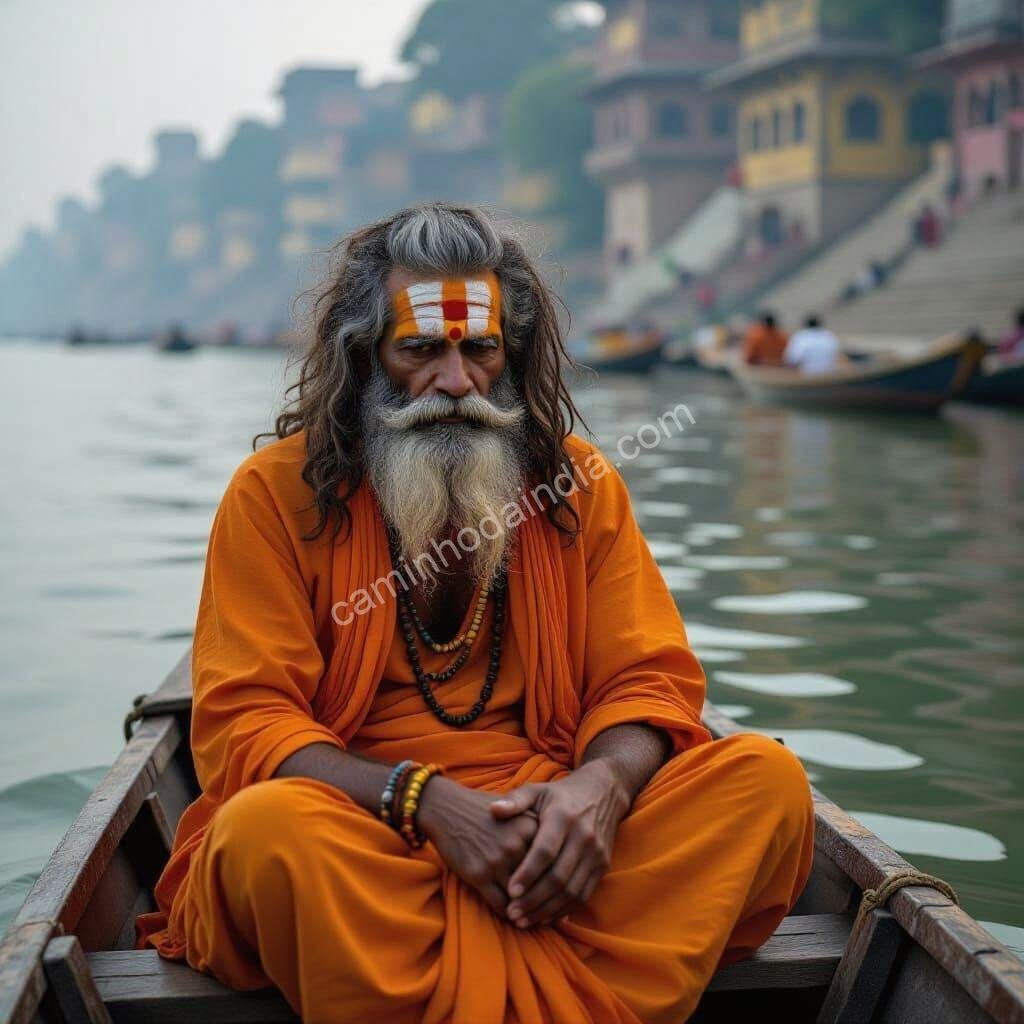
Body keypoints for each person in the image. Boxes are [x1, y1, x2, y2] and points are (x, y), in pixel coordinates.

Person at [134, 203, 814, 1024]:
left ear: (511, 353)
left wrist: (597, 790)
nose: (456, 382)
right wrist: (425, 802)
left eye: (479, 349)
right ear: (366, 354)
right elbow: (247, 725)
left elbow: (645, 681)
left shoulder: (577, 488)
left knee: (767, 783)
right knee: (266, 834)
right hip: (367, 839)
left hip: (550, 838)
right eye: (421, 350)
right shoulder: (274, 496)